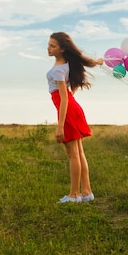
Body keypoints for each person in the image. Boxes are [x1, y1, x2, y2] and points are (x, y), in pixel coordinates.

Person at [46, 32, 103, 203]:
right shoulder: (66, 66)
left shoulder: (58, 70)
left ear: (62, 49)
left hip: (68, 109)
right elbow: (69, 93)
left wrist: (60, 126)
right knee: (79, 153)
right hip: (73, 107)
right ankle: (87, 192)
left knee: (73, 155)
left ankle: (74, 195)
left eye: (52, 46)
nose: (48, 48)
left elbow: (63, 98)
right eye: (49, 44)